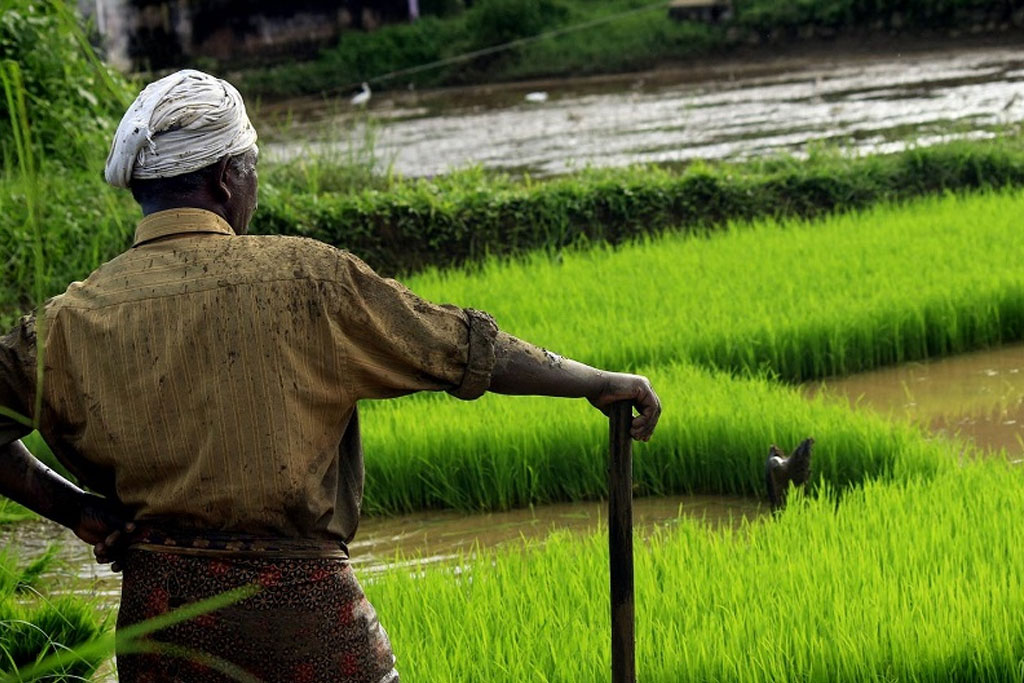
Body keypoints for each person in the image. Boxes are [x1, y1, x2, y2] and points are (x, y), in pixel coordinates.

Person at [0, 69, 661, 682]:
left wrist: (78, 509)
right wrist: (595, 380)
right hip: (303, 619)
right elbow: (461, 346)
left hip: (161, 628)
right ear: (228, 177)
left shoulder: (68, 320)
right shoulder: (306, 278)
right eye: (253, 170)